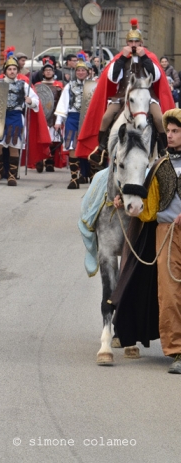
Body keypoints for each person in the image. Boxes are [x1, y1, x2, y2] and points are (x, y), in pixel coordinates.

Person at [112, 108, 181, 374]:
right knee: (170, 294)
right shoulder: (160, 165)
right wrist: (124, 200)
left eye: (176, 131)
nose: (171, 135)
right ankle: (176, 351)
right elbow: (147, 203)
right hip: (166, 235)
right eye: (170, 131)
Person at [77, 19, 175, 169]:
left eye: (136, 42)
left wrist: (144, 58)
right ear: (127, 43)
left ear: (141, 43)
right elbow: (113, 77)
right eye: (131, 42)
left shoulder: (150, 57)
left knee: (159, 117)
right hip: (123, 95)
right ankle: (101, 148)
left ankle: (163, 149)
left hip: (145, 95)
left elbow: (155, 76)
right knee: (107, 116)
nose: (134, 45)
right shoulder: (119, 58)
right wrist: (122, 58)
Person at [0, 53, 43, 186]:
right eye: (9, 69)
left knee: (14, 146)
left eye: (14, 69)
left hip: (15, 118)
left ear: (17, 71)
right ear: (5, 71)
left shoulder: (23, 85)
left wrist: (30, 101)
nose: (12, 71)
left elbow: (36, 101)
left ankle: (12, 175)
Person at [54, 55, 91, 189]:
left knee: (89, 146)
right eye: (78, 70)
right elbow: (63, 104)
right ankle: (74, 178)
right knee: (71, 146)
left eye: (83, 70)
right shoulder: (69, 86)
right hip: (73, 117)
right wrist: (59, 120)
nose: (81, 73)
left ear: (87, 72)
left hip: (88, 119)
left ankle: (90, 174)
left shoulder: (94, 86)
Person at [35, 58, 65, 174]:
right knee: (42, 139)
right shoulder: (37, 85)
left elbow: (62, 100)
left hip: (54, 115)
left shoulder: (59, 85)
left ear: (53, 72)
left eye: (50, 70)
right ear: (43, 73)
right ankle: (41, 159)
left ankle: (50, 162)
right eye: (46, 70)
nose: (48, 72)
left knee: (53, 140)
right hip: (42, 115)